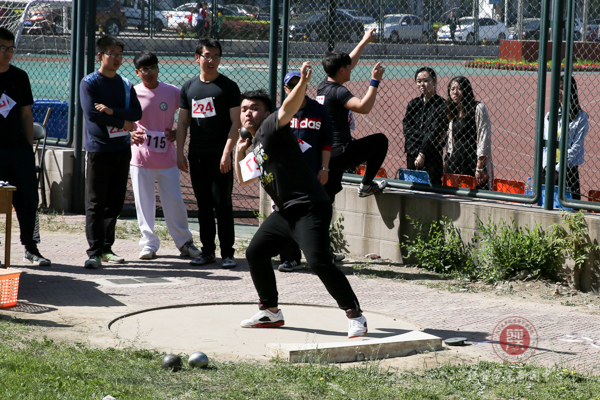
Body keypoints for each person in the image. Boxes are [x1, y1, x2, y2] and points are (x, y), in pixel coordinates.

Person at [234, 63, 368, 339]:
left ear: (267, 113)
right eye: (244, 108)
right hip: (285, 212)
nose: (248, 112)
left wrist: (302, 83)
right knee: (255, 253)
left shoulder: (271, 126)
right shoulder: (256, 143)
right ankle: (270, 311)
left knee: (318, 262)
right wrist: (238, 154)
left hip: (309, 206)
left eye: (254, 108)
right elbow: (245, 179)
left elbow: (288, 108)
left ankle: (355, 315)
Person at [129, 51, 201, 260]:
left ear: (158, 68)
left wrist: (178, 132)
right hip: (140, 158)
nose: (150, 72)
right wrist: (129, 133)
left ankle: (184, 243)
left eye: (153, 67)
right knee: (144, 203)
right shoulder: (132, 93)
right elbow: (121, 118)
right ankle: (148, 244)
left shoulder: (172, 92)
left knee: (175, 201)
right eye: (145, 69)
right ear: (137, 72)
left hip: (167, 158)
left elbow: (189, 113)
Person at [176, 38, 241, 269]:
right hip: (197, 155)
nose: (211, 60)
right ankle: (207, 252)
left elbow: (236, 123)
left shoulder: (229, 87)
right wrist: (180, 152)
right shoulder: (188, 87)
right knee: (203, 205)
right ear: (197, 58)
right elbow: (183, 123)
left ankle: (228, 253)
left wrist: (227, 153)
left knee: (222, 204)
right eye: (207, 56)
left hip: (220, 156)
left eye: (216, 56)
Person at [80, 35, 142, 268]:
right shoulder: (89, 83)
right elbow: (92, 114)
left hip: (121, 148)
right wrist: (123, 123)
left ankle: (107, 248)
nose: (117, 58)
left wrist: (112, 112)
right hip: (99, 149)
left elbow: (136, 113)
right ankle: (94, 252)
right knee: (96, 202)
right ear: (100, 56)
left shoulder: (125, 84)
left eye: (120, 54)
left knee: (115, 202)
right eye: (112, 54)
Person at [317, 28, 389, 201]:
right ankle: (366, 185)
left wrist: (364, 41)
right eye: (348, 67)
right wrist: (375, 81)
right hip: (341, 152)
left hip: (326, 153)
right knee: (380, 141)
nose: (352, 68)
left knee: (326, 197)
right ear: (341, 71)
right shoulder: (338, 92)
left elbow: (349, 61)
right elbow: (364, 107)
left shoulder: (323, 86)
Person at [0, 27, 51, 267]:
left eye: (11, 48)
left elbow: (26, 115)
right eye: (2, 48)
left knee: (28, 199)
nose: (7, 53)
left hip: (18, 150)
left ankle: (31, 248)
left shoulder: (20, 77)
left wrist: (28, 148)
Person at [276, 70, 333, 273]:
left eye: (299, 84)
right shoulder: (281, 112)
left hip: (312, 172)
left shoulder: (319, 110)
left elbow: (327, 141)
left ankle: (320, 256)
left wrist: (324, 168)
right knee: (287, 213)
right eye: (291, 86)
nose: (296, 88)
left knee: (316, 215)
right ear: (286, 89)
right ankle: (291, 258)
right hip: (287, 174)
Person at [542, 75, 588, 200]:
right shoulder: (550, 115)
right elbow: (544, 144)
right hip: (548, 167)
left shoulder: (581, 117)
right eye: (557, 88)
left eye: (562, 88)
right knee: (546, 203)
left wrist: (557, 169)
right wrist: (546, 166)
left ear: (571, 91)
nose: (559, 92)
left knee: (570, 206)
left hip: (568, 169)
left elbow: (576, 147)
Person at [444, 76, 493, 190]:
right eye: (452, 89)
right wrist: (447, 162)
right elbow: (451, 141)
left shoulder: (478, 108)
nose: (455, 92)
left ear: (466, 90)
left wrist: (479, 167)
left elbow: (484, 137)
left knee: (477, 192)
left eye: (458, 88)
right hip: (456, 160)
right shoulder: (454, 111)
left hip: (473, 159)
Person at [402, 67, 448, 185]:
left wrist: (423, 152)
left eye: (426, 80)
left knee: (433, 188)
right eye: (419, 81)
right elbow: (407, 129)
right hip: (412, 154)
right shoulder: (413, 104)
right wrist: (423, 143)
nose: (422, 84)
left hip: (432, 156)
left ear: (434, 81)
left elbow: (435, 131)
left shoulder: (442, 105)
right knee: (413, 187)